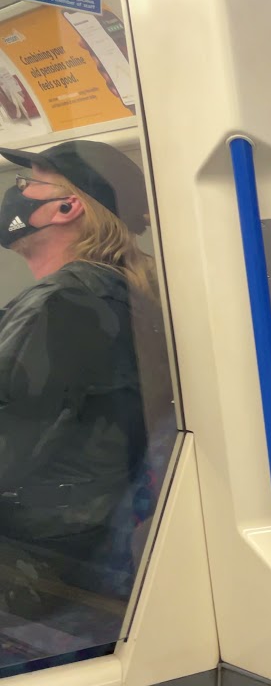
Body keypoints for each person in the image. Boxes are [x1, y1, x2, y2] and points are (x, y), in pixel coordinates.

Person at [0, 140, 167, 654]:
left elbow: (11, 439)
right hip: (76, 531)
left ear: (66, 207)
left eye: (29, 184)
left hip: (41, 551)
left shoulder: (66, 303)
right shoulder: (106, 291)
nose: (16, 193)